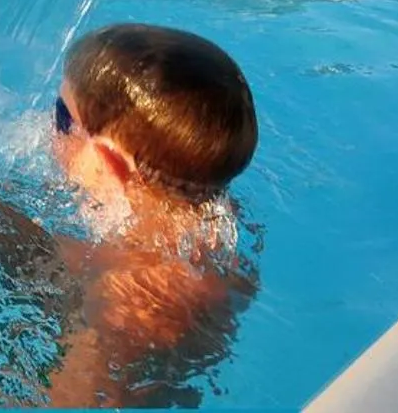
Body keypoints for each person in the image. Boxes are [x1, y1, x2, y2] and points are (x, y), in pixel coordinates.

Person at [43, 23, 260, 406]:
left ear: (109, 161)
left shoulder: (132, 297)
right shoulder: (212, 223)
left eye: (62, 117)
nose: (49, 127)